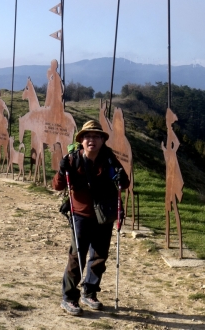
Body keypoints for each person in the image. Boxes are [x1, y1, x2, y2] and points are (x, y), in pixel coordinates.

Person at [53, 120, 129, 316]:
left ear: (102, 140)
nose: (91, 140)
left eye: (96, 136)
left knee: (99, 256)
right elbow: (58, 186)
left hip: (104, 216)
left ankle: (90, 292)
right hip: (80, 214)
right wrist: (61, 171)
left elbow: (124, 183)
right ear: (81, 140)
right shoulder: (73, 160)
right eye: (87, 136)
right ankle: (69, 297)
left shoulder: (109, 159)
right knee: (77, 256)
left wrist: (120, 177)